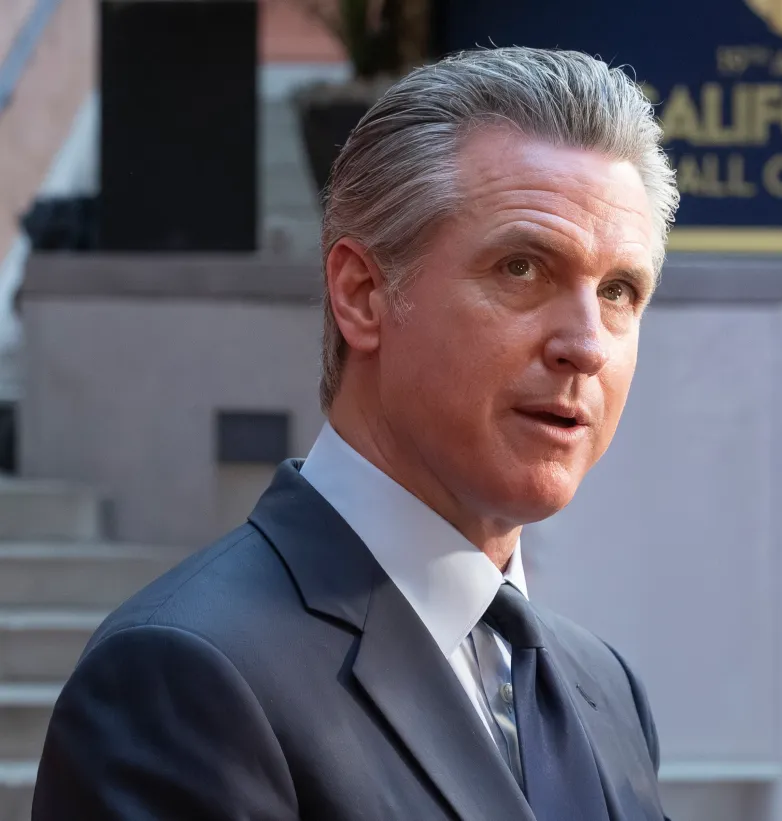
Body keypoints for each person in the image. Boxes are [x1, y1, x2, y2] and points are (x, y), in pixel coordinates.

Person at [32, 46, 680, 821]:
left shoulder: (605, 689)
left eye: (619, 290)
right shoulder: (182, 676)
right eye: (522, 268)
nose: (587, 344)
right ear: (363, 294)